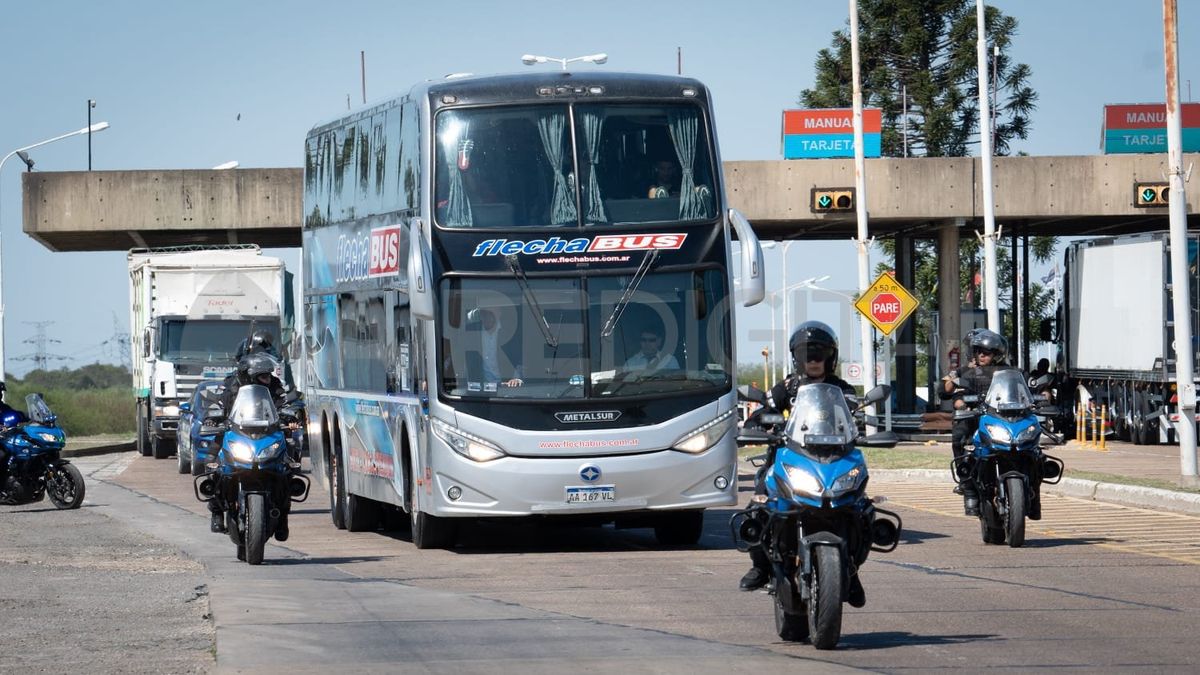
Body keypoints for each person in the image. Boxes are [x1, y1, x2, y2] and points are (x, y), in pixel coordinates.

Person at [740, 321, 858, 595]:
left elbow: (856, 413)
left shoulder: (842, 389)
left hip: (833, 461)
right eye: (807, 353)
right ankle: (760, 566)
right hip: (790, 459)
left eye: (820, 353)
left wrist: (862, 419)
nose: (814, 360)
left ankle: (851, 568)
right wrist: (759, 423)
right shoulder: (787, 388)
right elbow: (763, 410)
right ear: (797, 358)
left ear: (831, 357)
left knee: (859, 507)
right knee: (758, 504)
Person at [952, 329, 1009, 516]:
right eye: (979, 351)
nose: (982, 355)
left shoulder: (1009, 371)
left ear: (997, 354)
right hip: (976, 416)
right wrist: (961, 401)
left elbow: (1023, 388)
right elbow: (949, 389)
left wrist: (1039, 397)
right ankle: (968, 488)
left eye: (987, 352)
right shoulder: (967, 372)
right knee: (960, 436)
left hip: (1003, 418)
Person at [470, 308, 522, 388]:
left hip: (507, 387)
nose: (488, 315)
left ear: (499, 312)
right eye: (485, 312)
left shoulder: (512, 331)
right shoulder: (472, 332)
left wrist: (516, 379)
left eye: (492, 311)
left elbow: (521, 360)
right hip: (481, 391)